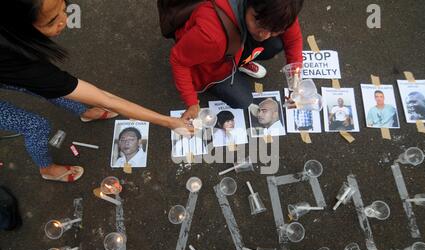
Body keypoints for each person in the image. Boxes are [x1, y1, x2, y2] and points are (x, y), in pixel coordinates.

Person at [0, 0, 192, 183]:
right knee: (36, 125)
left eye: (63, 7)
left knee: (53, 89)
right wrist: (169, 122)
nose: (64, 20)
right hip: (12, 68)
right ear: (20, 27)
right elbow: (106, 99)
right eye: (51, 21)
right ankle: (46, 169)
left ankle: (84, 112)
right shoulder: (22, 64)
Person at [169, 0, 304, 121]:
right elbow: (178, 60)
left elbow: (293, 39)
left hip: (231, 47)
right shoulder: (212, 37)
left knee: (275, 44)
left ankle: (241, 62)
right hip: (211, 65)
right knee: (243, 101)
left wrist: (295, 81)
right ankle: (215, 81)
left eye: (273, 31)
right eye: (259, 24)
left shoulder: (278, 10)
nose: (264, 35)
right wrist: (191, 102)